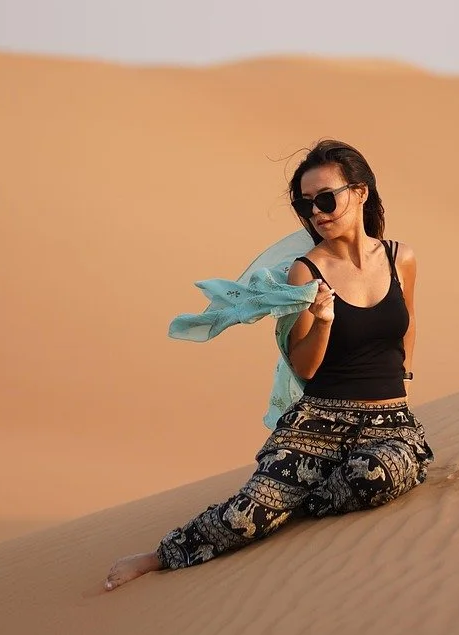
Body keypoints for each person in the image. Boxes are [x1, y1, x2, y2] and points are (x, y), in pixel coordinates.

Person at [104, 139, 433, 589]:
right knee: (247, 516)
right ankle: (159, 555)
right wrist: (321, 321)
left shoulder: (401, 258)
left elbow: (407, 324)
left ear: (360, 192)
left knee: (377, 475)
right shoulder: (305, 272)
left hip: (389, 423)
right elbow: (305, 368)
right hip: (317, 422)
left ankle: (294, 503)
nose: (316, 212)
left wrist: (406, 382)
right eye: (305, 204)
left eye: (325, 198)